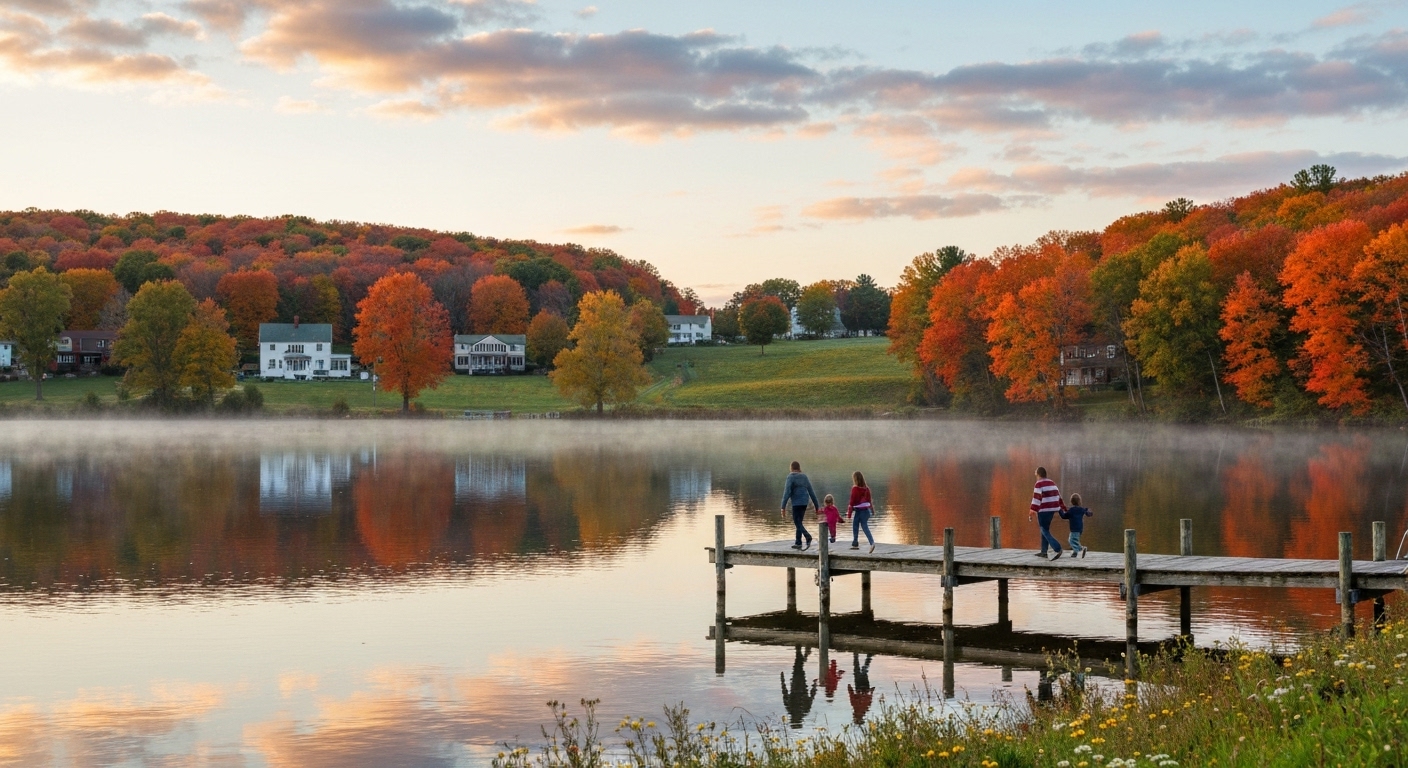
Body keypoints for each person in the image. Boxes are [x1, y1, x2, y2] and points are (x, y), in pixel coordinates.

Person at [1027, 466, 1067, 560]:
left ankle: (1057, 548)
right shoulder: (1052, 482)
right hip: (1052, 509)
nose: (1034, 473)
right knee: (1045, 529)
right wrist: (1063, 508)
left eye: (1035, 471)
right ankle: (1044, 552)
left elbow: (1037, 498)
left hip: (1044, 510)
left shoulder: (1039, 484)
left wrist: (1032, 510)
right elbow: (1058, 496)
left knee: (1043, 530)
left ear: (1039, 473)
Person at [780, 461, 820, 550]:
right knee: (799, 522)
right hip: (804, 502)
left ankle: (807, 536)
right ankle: (798, 542)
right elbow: (811, 492)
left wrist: (783, 507)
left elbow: (787, 492)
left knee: (797, 522)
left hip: (797, 503)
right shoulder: (804, 477)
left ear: (791, 468)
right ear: (799, 468)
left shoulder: (790, 477)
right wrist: (817, 506)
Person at [847, 471, 875, 552]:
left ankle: (855, 542)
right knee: (864, 526)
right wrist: (872, 511)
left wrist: (849, 515)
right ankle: (871, 542)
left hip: (859, 511)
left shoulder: (855, 489)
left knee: (855, 525)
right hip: (866, 511)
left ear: (855, 479)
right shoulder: (867, 489)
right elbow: (870, 501)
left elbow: (851, 502)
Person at [1060, 492, 1093, 558]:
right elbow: (1088, 513)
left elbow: (1064, 516)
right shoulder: (1081, 509)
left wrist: (1060, 510)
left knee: (1072, 540)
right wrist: (1088, 511)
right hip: (1080, 528)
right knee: (1072, 540)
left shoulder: (1071, 510)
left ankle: (1076, 551)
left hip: (1074, 528)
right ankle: (1081, 548)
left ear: (1071, 501)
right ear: (1079, 501)